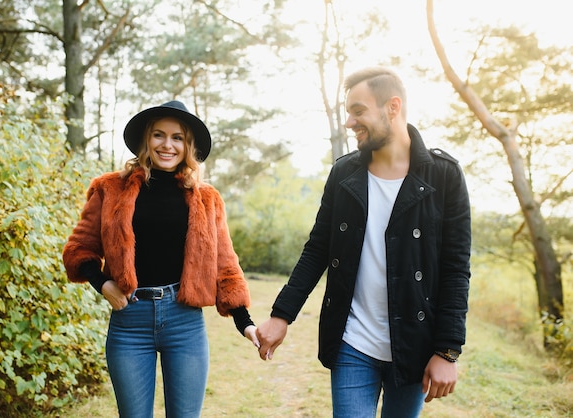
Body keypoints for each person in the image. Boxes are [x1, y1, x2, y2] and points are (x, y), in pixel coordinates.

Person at [256, 67, 471, 417]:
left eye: (358, 111)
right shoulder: (344, 174)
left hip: (412, 344)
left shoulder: (444, 175)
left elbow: (455, 269)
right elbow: (317, 250)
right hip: (352, 343)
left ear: (392, 107)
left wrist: (447, 350)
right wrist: (282, 315)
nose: (349, 122)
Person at [62, 100, 259, 418]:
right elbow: (78, 249)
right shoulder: (109, 189)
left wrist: (245, 322)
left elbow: (225, 263)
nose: (167, 145)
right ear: (146, 140)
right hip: (129, 322)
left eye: (177, 137)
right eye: (158, 135)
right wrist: (103, 283)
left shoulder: (206, 199)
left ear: (188, 145)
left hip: (185, 324)